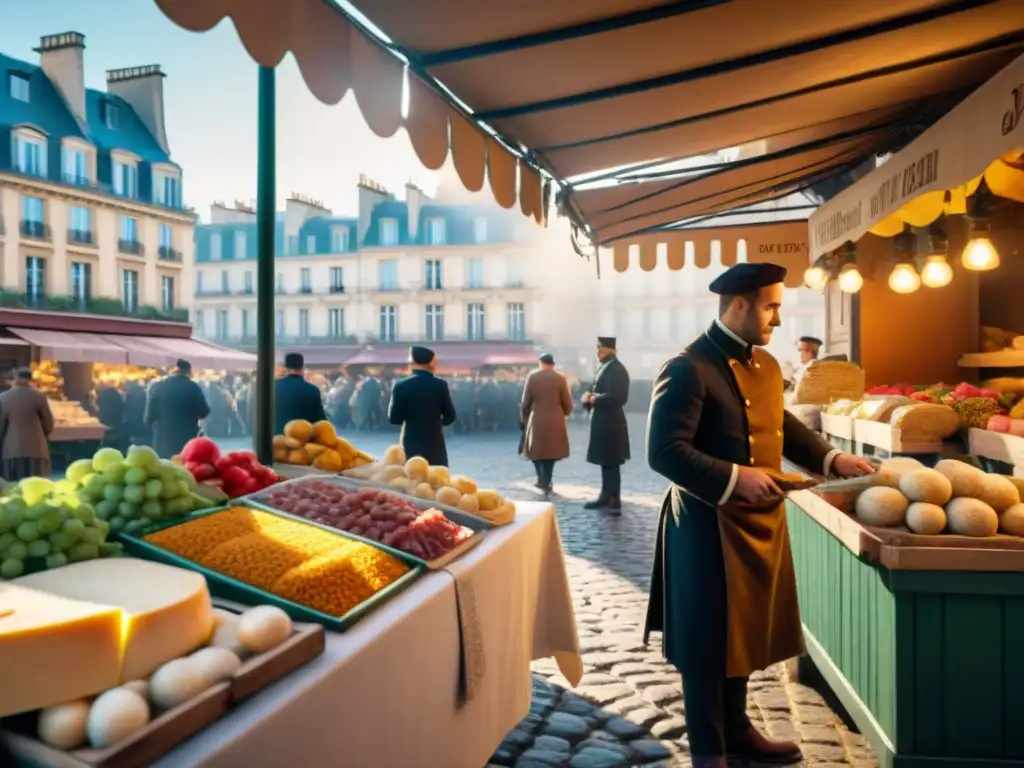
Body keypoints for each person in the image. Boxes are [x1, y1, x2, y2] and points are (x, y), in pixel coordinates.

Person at [642, 262, 874, 768]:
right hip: (704, 524)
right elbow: (663, 451)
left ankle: (739, 729)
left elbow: (781, 425)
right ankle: (708, 748)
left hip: (756, 522)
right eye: (770, 306)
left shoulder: (767, 366)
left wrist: (832, 459)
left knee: (743, 629)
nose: (777, 319)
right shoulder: (687, 366)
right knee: (707, 639)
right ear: (739, 304)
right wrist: (732, 476)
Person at [582, 337, 630, 512]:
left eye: (601, 349)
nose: (598, 352)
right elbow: (594, 386)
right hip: (602, 420)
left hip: (612, 422)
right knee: (605, 460)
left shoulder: (618, 370)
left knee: (612, 461)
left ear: (611, 350)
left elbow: (620, 396)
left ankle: (613, 497)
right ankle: (605, 494)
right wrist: (587, 395)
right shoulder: (604, 367)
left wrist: (595, 399)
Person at [388, 346, 456, 466]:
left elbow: (394, 419)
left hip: (410, 442)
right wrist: (434, 422)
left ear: (412, 363)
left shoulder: (400, 386)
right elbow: (450, 416)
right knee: (436, 479)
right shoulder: (440, 385)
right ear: (431, 363)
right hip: (435, 442)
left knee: (412, 478)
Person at [520, 353, 574, 495]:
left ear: (540, 363)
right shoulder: (560, 378)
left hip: (536, 417)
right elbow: (568, 403)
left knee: (535, 452)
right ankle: (547, 480)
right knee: (551, 453)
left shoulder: (532, 377)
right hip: (555, 418)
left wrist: (525, 418)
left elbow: (525, 402)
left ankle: (541, 479)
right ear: (553, 364)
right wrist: (564, 414)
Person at [145, 360, 210, 459]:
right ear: (188, 371)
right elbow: (204, 411)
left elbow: (149, 417)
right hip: (186, 440)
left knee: (165, 468)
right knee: (183, 467)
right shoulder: (193, 387)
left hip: (163, 440)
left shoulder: (158, 387)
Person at [0, 368, 54, 481]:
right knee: (36, 483)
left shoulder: (3, 397)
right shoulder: (39, 396)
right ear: (30, 380)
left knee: (13, 485)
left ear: (15, 379)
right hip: (36, 449)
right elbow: (48, 423)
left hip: (12, 449)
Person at [273, 353, 326, 433]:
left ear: (286, 368)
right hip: (304, 439)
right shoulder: (312, 389)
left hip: (278, 438)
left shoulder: (273, 386)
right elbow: (320, 420)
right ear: (303, 367)